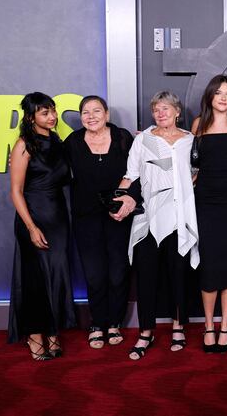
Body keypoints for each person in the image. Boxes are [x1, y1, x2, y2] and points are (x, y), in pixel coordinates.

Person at [113, 91, 199, 360]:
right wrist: (115, 203)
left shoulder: (190, 141)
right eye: (156, 110)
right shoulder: (143, 140)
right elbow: (130, 176)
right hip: (148, 217)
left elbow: (197, 173)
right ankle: (145, 332)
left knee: (179, 275)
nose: (160, 114)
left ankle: (178, 328)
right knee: (147, 278)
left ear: (177, 112)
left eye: (165, 109)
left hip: (180, 218)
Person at [7, 92, 76, 360]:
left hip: (58, 218)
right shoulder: (24, 145)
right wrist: (31, 227)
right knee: (35, 279)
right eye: (45, 112)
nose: (52, 116)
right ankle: (35, 337)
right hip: (33, 217)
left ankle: (52, 333)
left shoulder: (57, 142)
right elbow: (15, 191)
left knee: (56, 277)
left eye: (53, 111)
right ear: (30, 117)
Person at [63, 96, 135, 349]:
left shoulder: (124, 138)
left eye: (96, 111)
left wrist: (131, 200)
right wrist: (22, 160)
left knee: (118, 272)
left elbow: (139, 173)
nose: (91, 116)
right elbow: (53, 168)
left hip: (119, 216)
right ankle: (97, 323)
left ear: (106, 114)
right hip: (86, 218)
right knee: (94, 275)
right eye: (85, 112)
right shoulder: (72, 143)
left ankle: (114, 323)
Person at [191, 75, 227, 353]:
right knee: (209, 263)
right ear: (210, 96)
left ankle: (225, 325)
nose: (224, 98)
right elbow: (192, 164)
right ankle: (208, 325)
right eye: (219, 93)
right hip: (205, 200)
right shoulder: (198, 125)